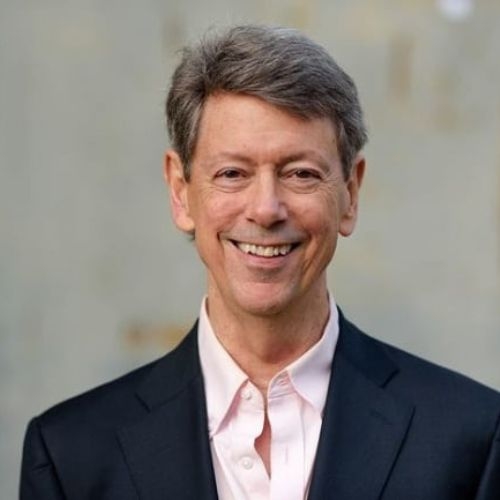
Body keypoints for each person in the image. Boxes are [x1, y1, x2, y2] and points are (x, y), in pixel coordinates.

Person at [20, 24, 500, 500]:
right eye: (232, 173)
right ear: (181, 192)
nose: (266, 209)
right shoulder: (70, 458)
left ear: (350, 194)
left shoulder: (473, 440)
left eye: (300, 174)